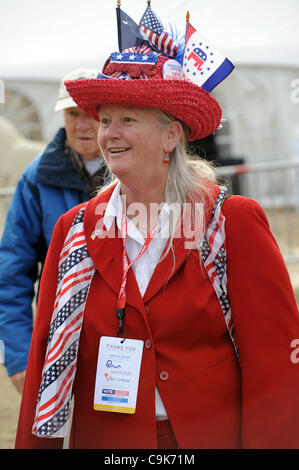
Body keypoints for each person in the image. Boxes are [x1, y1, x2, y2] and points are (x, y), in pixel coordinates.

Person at [15, 7, 299, 450]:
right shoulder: (75, 231)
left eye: (127, 119)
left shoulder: (230, 222)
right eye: (105, 119)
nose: (109, 133)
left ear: (171, 135)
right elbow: (43, 365)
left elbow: (276, 370)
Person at [0, 69, 110, 394]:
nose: (82, 124)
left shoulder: (136, 173)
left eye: (92, 113)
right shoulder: (35, 179)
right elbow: (12, 271)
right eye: (73, 113)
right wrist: (19, 356)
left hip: (128, 334)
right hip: (61, 338)